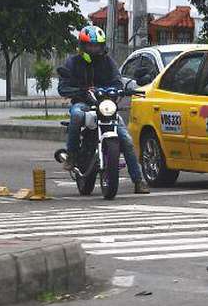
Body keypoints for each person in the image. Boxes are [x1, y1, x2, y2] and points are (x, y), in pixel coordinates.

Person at [57, 25, 150, 194]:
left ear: (102, 46)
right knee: (76, 115)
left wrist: (121, 89)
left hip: (106, 105)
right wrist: (80, 91)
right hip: (83, 103)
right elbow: (63, 87)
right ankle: (71, 155)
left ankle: (138, 180)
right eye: (90, 45)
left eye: (97, 45)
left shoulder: (108, 62)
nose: (94, 49)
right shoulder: (73, 62)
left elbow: (117, 81)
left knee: (126, 139)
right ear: (83, 46)